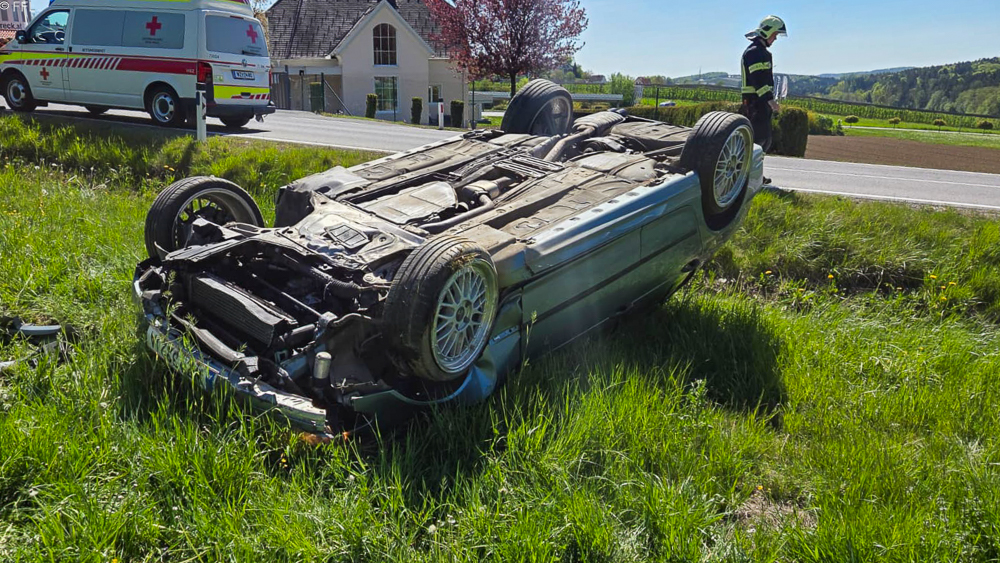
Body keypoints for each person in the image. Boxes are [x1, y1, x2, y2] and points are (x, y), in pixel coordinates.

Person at [741, 15, 786, 184]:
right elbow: (758, 79)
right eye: (775, 34)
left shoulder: (760, 52)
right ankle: (746, 176)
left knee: (764, 140)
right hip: (755, 102)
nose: (775, 39)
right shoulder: (755, 52)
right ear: (767, 32)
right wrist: (770, 100)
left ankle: (754, 175)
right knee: (758, 140)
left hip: (760, 102)